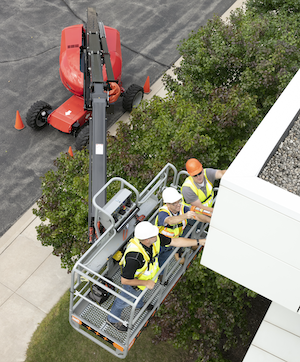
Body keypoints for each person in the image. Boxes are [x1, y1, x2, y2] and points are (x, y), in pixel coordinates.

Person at [106, 221, 205, 331]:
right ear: (147, 239)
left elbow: (176, 241)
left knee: (140, 293)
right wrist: (145, 283)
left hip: (145, 280)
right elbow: (124, 280)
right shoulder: (134, 257)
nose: (157, 234)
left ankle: (139, 305)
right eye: (154, 234)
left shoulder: (155, 239)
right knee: (123, 301)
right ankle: (112, 319)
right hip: (134, 284)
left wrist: (198, 241)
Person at [155, 187, 210, 266]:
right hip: (161, 243)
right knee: (158, 262)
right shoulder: (163, 213)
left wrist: (210, 221)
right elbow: (170, 220)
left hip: (175, 240)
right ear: (168, 204)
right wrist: (185, 216)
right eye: (175, 203)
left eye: (179, 201)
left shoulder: (182, 208)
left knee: (170, 262)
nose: (178, 205)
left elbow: (198, 216)